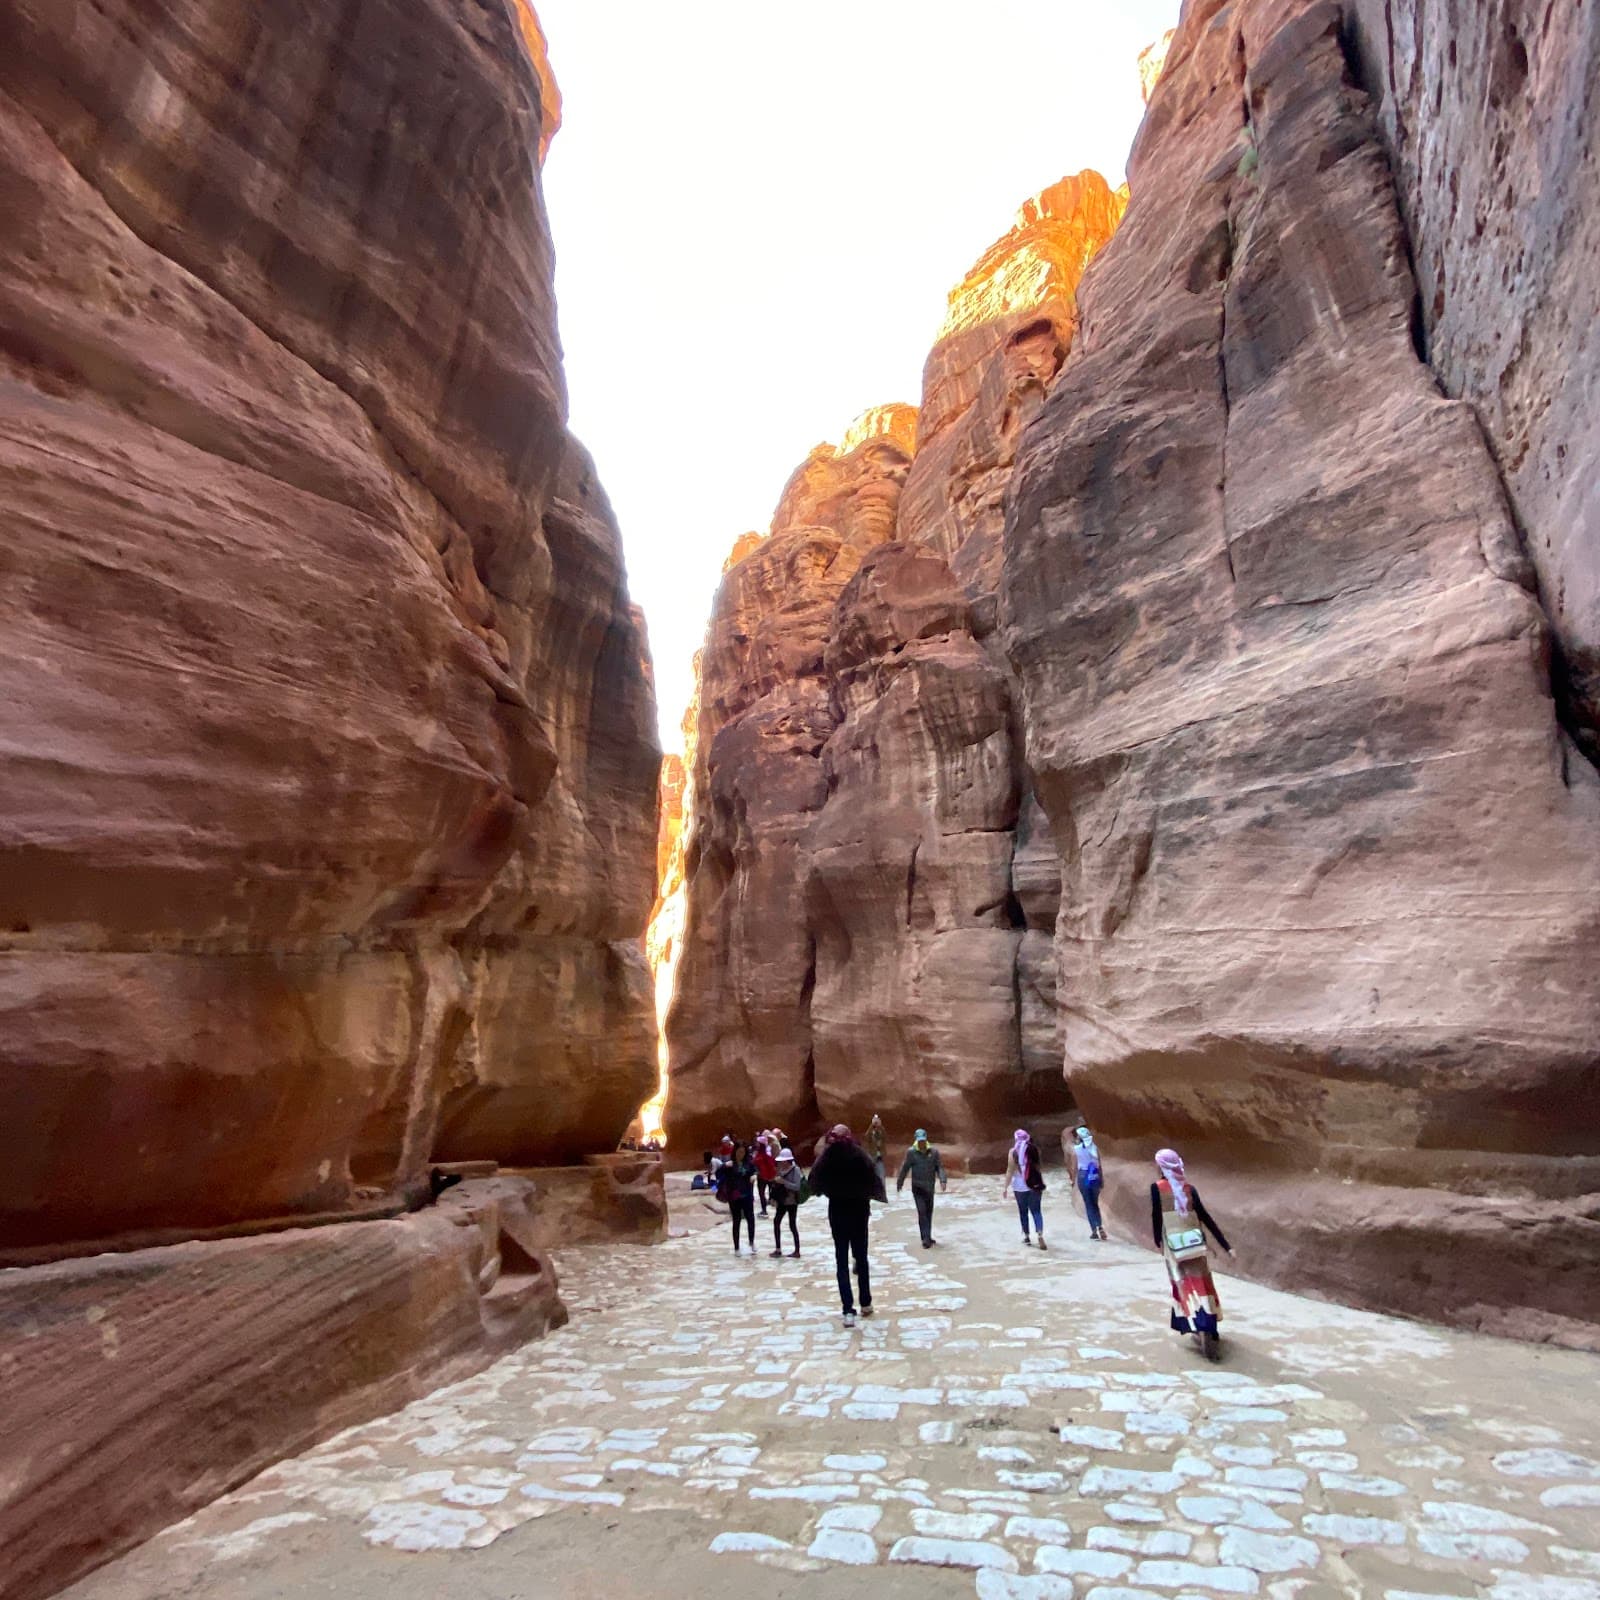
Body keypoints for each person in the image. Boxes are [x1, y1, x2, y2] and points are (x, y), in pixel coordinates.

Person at [1151, 1148, 1233, 1361]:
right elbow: (1205, 1217)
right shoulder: (1189, 1189)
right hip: (1196, 1244)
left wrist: (1158, 1242)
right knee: (1203, 1284)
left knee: (1183, 1285)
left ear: (1161, 1167)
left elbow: (1156, 1217)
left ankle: (1194, 1323)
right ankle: (1209, 1327)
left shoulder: (1157, 1188)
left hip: (1174, 1246)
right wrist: (1226, 1246)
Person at [808, 1125, 884, 1326]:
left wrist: (824, 1190)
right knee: (861, 1258)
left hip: (838, 1212)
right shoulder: (860, 1155)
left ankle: (847, 1309)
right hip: (859, 1211)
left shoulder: (827, 1156)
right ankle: (865, 1302)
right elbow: (874, 1179)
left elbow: (814, 1182)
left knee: (841, 1260)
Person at [895, 1129, 947, 1248]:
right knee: (922, 1212)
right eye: (919, 1141)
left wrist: (943, 1180)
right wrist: (900, 1182)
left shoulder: (934, 1152)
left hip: (929, 1187)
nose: (921, 1143)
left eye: (923, 1140)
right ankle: (925, 1239)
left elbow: (939, 1167)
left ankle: (928, 1236)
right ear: (916, 1140)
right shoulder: (911, 1152)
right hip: (917, 1188)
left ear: (926, 1140)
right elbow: (905, 1168)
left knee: (928, 1212)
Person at [1002, 1127, 1048, 1249]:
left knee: (1023, 1212)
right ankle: (1039, 1234)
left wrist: (1005, 1187)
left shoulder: (1013, 1152)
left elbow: (1010, 1170)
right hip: (1034, 1184)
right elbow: (1039, 1167)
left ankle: (1027, 1237)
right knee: (1036, 1211)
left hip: (1019, 1186)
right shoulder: (1034, 1149)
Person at [716, 1140, 758, 1254]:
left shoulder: (749, 1163)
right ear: (735, 1152)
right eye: (739, 1152)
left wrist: (754, 1176)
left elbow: (755, 1171)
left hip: (747, 1195)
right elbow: (718, 1174)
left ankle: (751, 1242)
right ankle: (736, 1248)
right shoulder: (729, 1165)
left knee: (750, 1218)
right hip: (734, 1197)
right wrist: (724, 1165)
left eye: (743, 1152)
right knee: (736, 1221)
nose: (741, 1154)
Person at [1070, 1125, 1108, 1240]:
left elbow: (1074, 1167)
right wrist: (1101, 1180)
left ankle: (1094, 1231)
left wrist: (1073, 1180)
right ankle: (1100, 1226)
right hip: (1095, 1176)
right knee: (1095, 1203)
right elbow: (1099, 1166)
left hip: (1083, 1176)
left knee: (1088, 1204)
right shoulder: (1095, 1148)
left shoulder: (1076, 1149)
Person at [770, 1146, 803, 1257]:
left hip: (792, 1202)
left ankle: (797, 1250)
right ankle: (778, 1249)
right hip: (782, 1200)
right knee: (776, 1222)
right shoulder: (780, 1169)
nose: (781, 1163)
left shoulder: (795, 1170)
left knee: (792, 1225)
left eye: (783, 1161)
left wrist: (784, 1182)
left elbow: (797, 1186)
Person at [753, 1134, 778, 1216]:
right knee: (770, 1191)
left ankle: (764, 1210)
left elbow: (756, 1164)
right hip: (769, 1176)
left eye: (757, 1142)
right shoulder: (768, 1153)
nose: (756, 1144)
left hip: (762, 1177)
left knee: (762, 1194)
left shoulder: (759, 1155)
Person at [866, 1115, 888, 1187]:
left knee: (881, 1175)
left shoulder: (881, 1130)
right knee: (870, 1174)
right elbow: (867, 1137)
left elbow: (885, 1137)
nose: (876, 1122)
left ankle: (882, 1189)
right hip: (872, 1156)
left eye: (877, 1120)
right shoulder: (871, 1131)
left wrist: (880, 1126)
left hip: (880, 1157)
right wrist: (871, 1125)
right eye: (875, 1120)